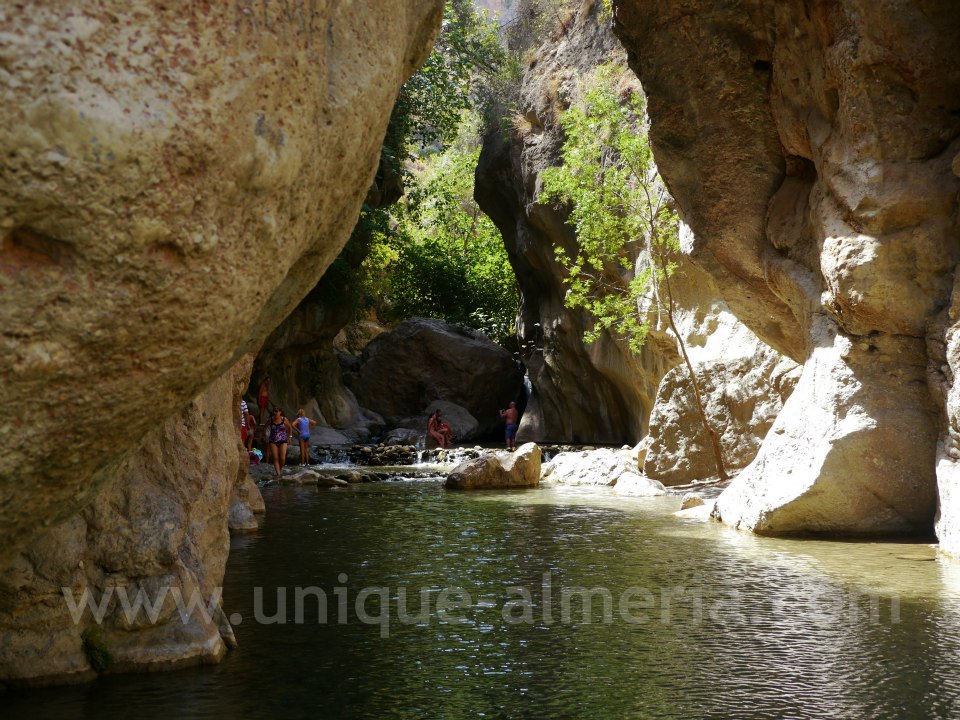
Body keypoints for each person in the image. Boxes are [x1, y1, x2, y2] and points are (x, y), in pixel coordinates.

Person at [267, 406, 293, 480]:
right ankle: (278, 474)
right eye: (274, 411)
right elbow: (265, 427)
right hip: (273, 441)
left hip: (283, 440)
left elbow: (290, 427)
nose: (275, 412)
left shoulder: (284, 419)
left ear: (280, 412)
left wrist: (290, 437)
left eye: (276, 411)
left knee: (282, 458)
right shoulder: (271, 420)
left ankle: (280, 469)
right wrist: (266, 436)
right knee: (275, 458)